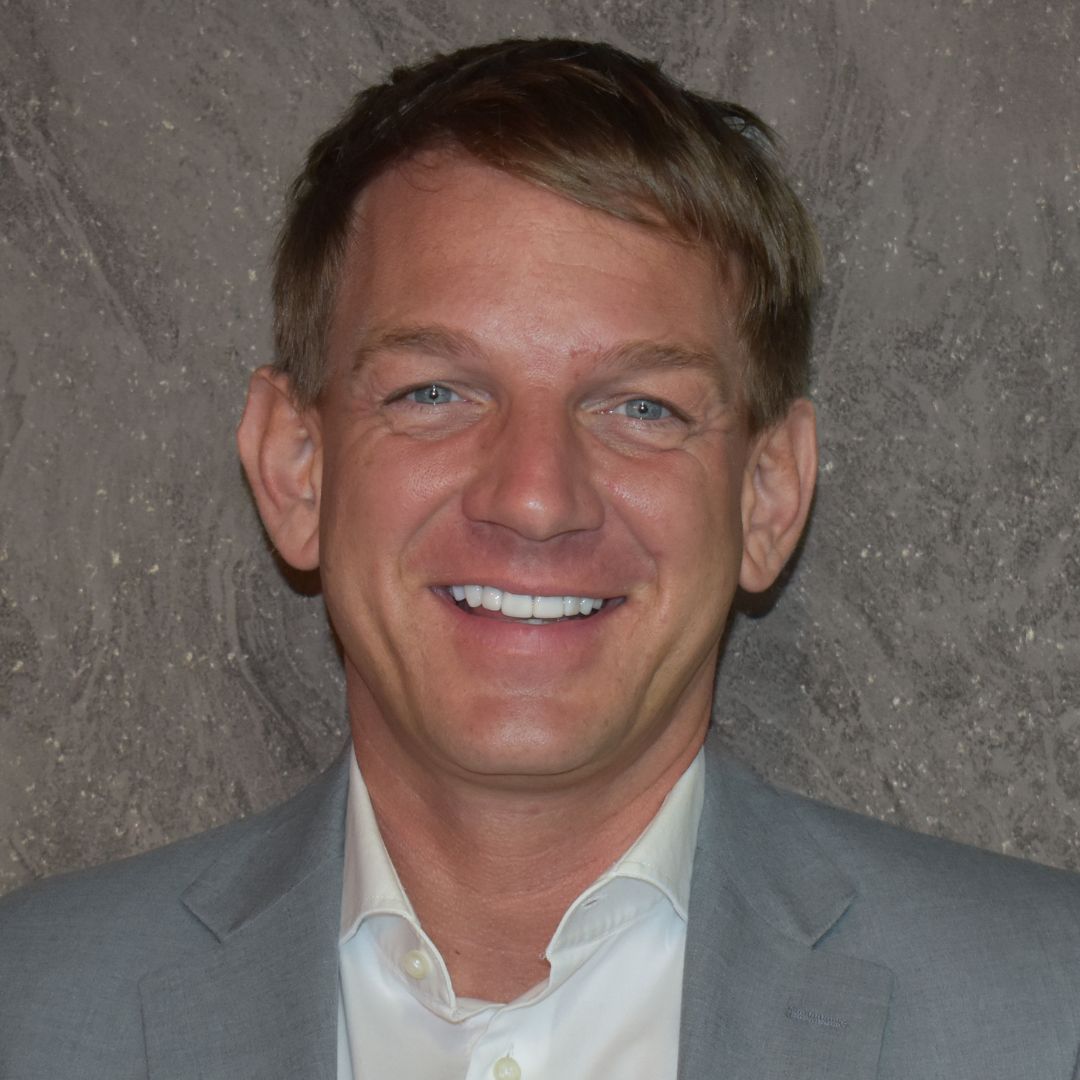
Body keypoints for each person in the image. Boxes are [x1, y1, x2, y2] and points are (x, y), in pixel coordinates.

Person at [2, 36, 1079, 1080]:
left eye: (641, 407)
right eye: (435, 392)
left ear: (768, 495)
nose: (533, 498)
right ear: (297, 471)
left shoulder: (1050, 1019)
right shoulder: (27, 1011)